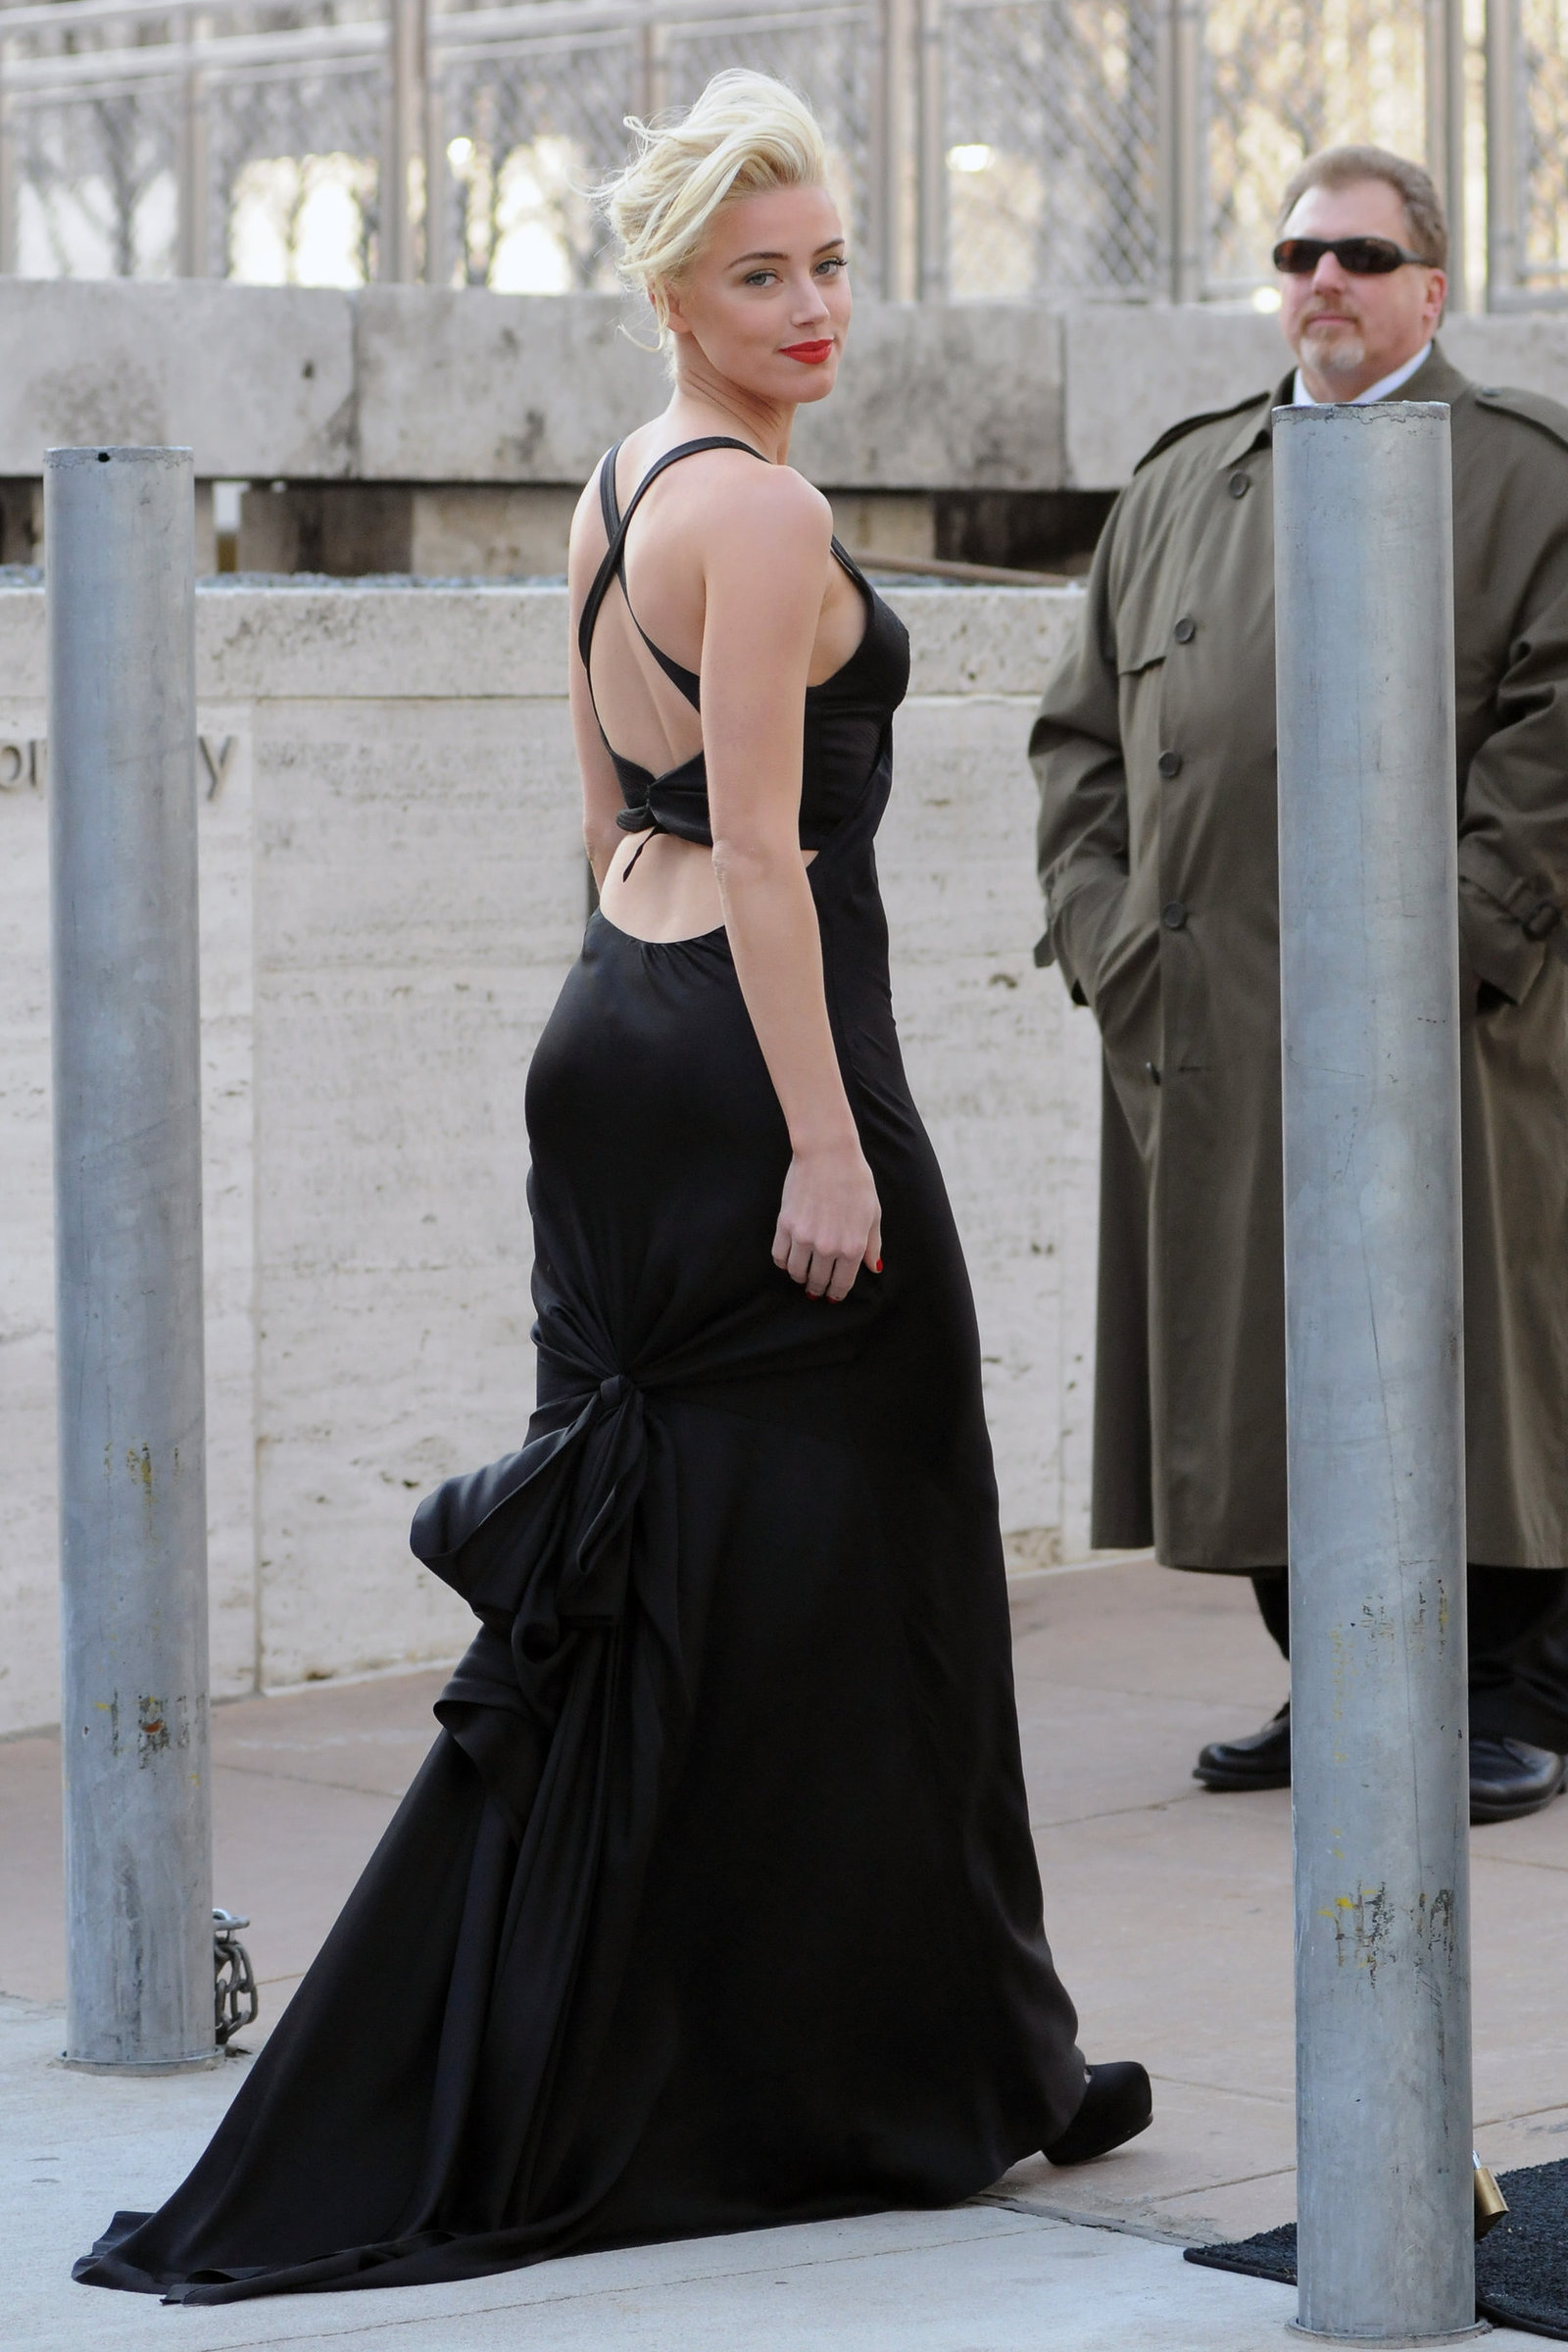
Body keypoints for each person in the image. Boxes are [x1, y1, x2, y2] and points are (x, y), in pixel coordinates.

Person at [75, 73, 1149, 2306]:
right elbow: (759, 848)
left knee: (666, 1589)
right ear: (673, 292)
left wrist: (655, 1072)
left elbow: (608, 826)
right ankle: (929, 2064)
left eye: (833, 260)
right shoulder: (751, 517)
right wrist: (828, 1139)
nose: (814, 304)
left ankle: (902, 2051)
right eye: (762, 274)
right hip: (762, 1066)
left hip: (615, 1038)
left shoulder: (610, 488)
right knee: (897, 1569)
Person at [1032, 143, 1568, 1828]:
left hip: (1451, 1030)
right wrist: (1117, 948)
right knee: (1249, 1357)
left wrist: (1450, 957)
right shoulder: (1188, 479)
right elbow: (1075, 746)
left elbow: (1554, 744)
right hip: (1215, 1024)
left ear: (1430, 284)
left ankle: (1493, 1689)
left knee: (1471, 1350)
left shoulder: (1525, 478)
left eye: (1359, 254)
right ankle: (1333, 1666)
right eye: (1297, 253)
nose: (1322, 281)